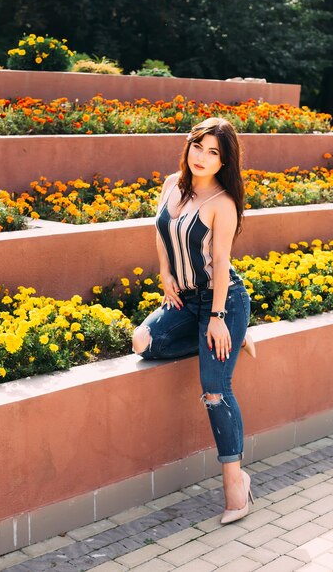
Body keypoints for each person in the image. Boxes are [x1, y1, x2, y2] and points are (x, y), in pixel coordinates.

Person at [132, 116, 256, 524]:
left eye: (214, 152)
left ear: (225, 162)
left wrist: (220, 319)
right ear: (188, 147)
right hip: (184, 301)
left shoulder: (223, 203)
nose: (203, 157)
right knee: (144, 343)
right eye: (198, 146)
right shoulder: (172, 184)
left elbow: (221, 263)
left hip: (223, 301)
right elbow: (160, 229)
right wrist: (165, 273)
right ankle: (227, 343)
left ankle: (236, 484)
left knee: (215, 389)